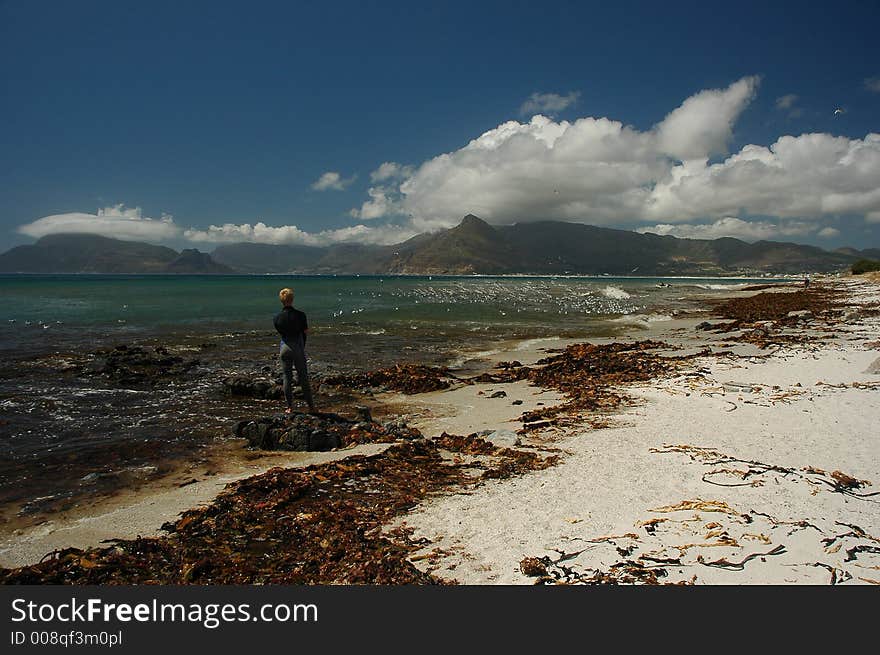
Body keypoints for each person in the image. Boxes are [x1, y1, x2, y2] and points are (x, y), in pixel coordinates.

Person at [273, 287, 315, 414]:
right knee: (303, 377)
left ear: (281, 300)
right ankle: (311, 407)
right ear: (292, 299)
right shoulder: (300, 315)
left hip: (284, 347)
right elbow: (305, 331)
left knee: (287, 377)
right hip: (297, 346)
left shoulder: (277, 318)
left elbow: (281, 332)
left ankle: (290, 407)